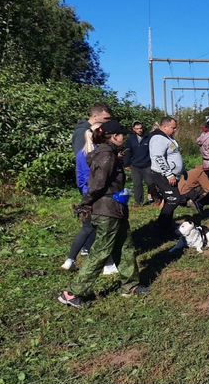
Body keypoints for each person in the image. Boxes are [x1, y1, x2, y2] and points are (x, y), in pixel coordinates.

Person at [58, 120, 150, 309]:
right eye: (121, 135)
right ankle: (72, 292)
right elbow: (97, 184)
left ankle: (130, 286)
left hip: (116, 208)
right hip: (106, 209)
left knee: (125, 247)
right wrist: (86, 202)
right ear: (113, 136)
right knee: (101, 251)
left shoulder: (111, 153)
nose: (124, 137)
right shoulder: (106, 154)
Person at [61, 123, 118, 274]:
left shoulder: (81, 154)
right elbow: (103, 178)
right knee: (104, 229)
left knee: (87, 228)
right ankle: (107, 264)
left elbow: (80, 177)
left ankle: (70, 259)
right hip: (100, 195)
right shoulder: (102, 153)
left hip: (87, 193)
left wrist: (85, 192)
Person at [149, 117, 186, 228]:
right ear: (165, 126)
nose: (175, 130)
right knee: (173, 199)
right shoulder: (158, 138)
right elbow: (158, 157)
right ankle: (162, 226)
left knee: (172, 199)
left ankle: (166, 224)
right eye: (173, 128)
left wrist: (182, 169)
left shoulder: (167, 138)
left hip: (171, 174)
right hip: (163, 175)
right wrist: (169, 174)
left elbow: (173, 155)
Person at [125, 121, 155, 206]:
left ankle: (156, 198)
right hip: (135, 166)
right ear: (134, 129)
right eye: (137, 129)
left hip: (147, 165)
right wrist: (126, 164)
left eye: (141, 128)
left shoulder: (148, 137)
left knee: (151, 183)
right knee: (137, 184)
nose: (139, 130)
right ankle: (138, 202)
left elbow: (152, 150)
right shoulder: (131, 139)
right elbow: (128, 152)